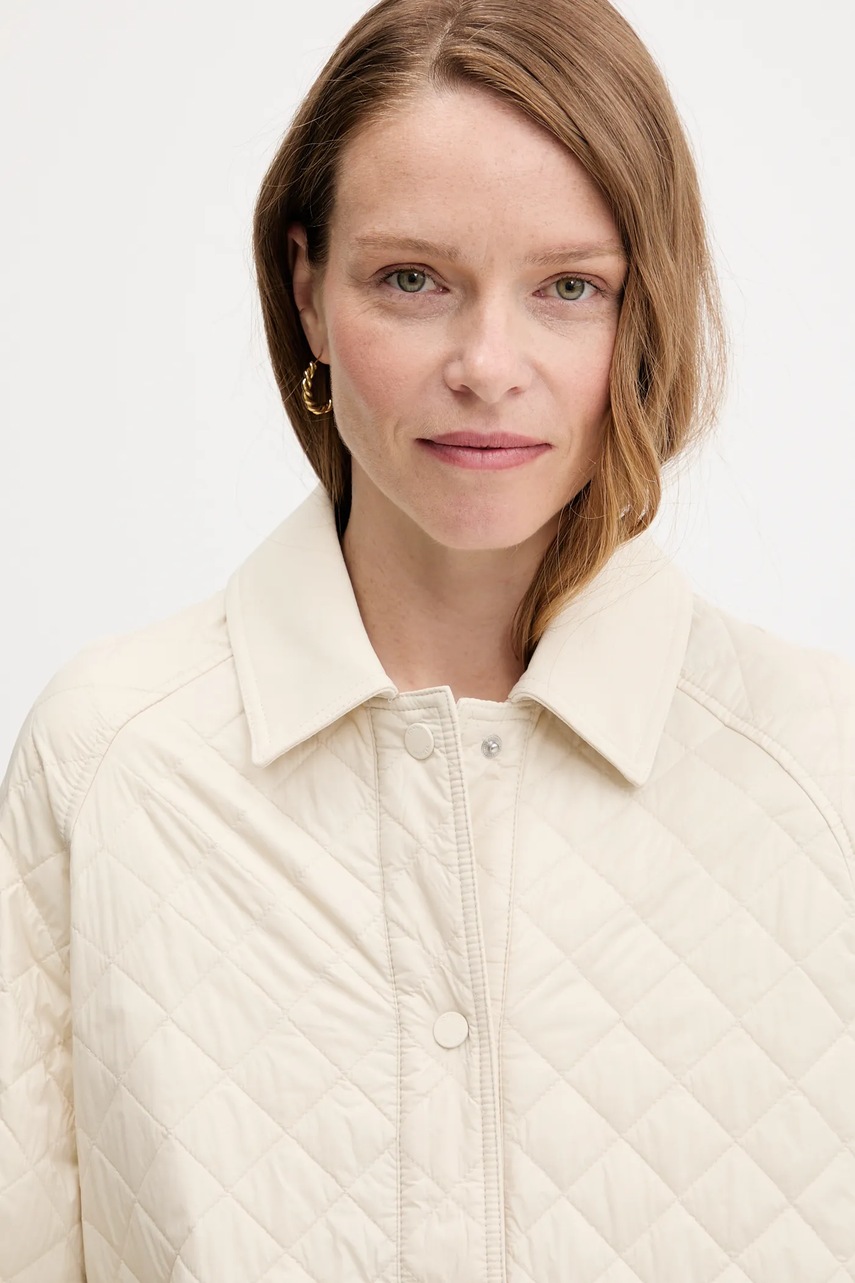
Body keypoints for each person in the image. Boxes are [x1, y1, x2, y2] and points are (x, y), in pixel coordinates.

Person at [1, 0, 853, 1278]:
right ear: (308, 288)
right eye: (412, 279)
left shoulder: (826, 769)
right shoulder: (113, 763)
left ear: (648, 309)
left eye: (569, 287)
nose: (487, 364)